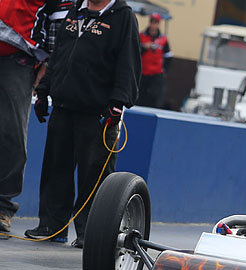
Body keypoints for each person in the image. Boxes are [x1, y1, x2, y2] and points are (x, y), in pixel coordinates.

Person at [26, 0, 141, 248]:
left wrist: (118, 102)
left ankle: (91, 232)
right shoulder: (75, 10)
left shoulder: (123, 16)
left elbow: (129, 62)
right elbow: (59, 55)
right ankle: (51, 226)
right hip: (63, 105)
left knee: (95, 175)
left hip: (98, 112)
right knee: (55, 169)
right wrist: (44, 91)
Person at [0, 0, 57, 238]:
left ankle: (2, 207)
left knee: (11, 134)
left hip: (18, 58)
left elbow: (60, 17)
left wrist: (48, 62)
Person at [136, 13, 171, 108]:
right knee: (140, 96)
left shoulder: (163, 39)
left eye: (156, 22)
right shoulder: (141, 36)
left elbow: (168, 56)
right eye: (152, 22)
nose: (153, 25)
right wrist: (144, 47)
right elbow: (135, 51)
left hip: (156, 73)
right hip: (142, 72)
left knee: (155, 96)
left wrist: (165, 70)